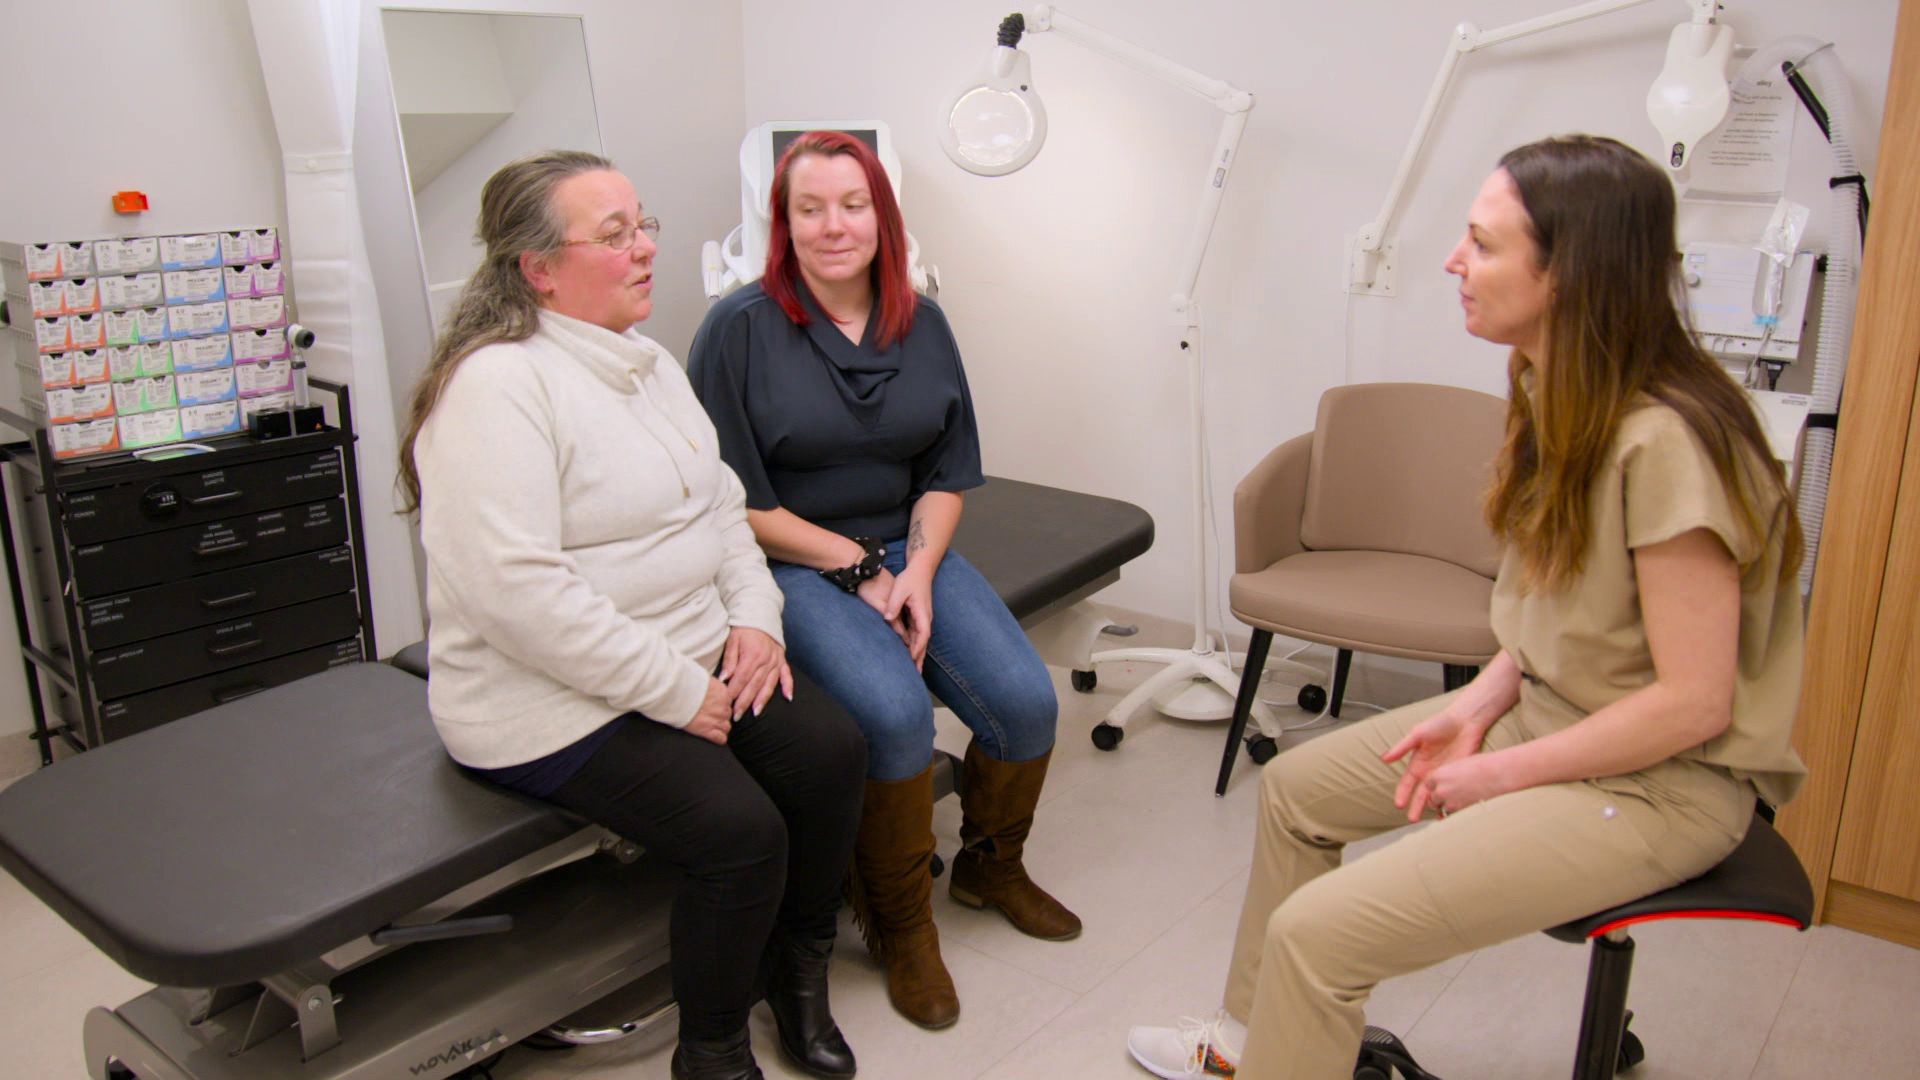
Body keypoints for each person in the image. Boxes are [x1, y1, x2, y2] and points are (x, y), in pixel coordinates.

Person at [1126, 134, 1807, 1079]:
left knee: (1320, 936)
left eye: (1484, 244)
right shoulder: (1552, 386)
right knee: (1295, 792)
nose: (1454, 260)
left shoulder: (1667, 445)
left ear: (1570, 273)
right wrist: (1481, 702)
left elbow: (1694, 705)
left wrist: (1501, 772)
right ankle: (1246, 1048)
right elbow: (1556, 608)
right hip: (1554, 714)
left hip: (1658, 786)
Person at [401, 150, 868, 1080]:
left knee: (829, 753)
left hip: (692, 655)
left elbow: (722, 509)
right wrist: (674, 690)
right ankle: (713, 1052)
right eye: (615, 236)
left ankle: (797, 973)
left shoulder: (647, 362)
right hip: (545, 698)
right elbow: (517, 593)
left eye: (641, 223)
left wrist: (755, 621)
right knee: (739, 834)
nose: (647, 247)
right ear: (539, 269)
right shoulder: (497, 388)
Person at [686, 130, 1078, 1031]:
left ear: (883, 216)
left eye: (853, 205)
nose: (834, 226)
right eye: (810, 208)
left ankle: (990, 868)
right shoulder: (738, 328)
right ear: (783, 224)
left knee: (1026, 704)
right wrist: (860, 568)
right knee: (896, 718)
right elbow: (732, 500)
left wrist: (920, 572)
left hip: (908, 548)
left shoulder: (921, 321)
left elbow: (946, 473)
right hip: (789, 561)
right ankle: (902, 926)